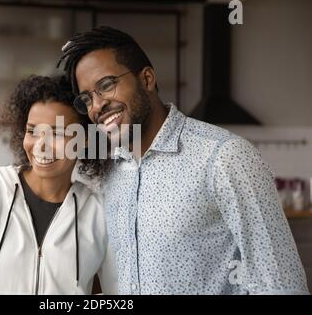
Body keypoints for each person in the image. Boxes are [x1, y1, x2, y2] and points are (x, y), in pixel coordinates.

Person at [57, 26, 309, 294]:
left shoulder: (225, 156)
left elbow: (282, 284)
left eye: (106, 85)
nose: (97, 106)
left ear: (147, 78)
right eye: (87, 98)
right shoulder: (108, 171)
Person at [0, 75, 117, 295]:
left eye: (57, 133)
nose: (41, 145)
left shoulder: (101, 212)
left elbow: (118, 292)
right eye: (32, 131)